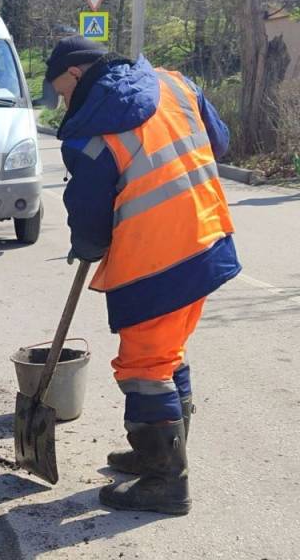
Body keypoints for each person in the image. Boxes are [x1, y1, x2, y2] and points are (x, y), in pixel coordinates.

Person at [40, 36, 241, 514]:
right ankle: (163, 454)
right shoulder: (175, 84)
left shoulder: (91, 133)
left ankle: (166, 480)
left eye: (61, 93)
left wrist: (87, 244)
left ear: (74, 74)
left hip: (158, 260)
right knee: (168, 354)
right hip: (209, 238)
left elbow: (89, 217)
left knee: (144, 366)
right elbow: (222, 141)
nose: (64, 104)